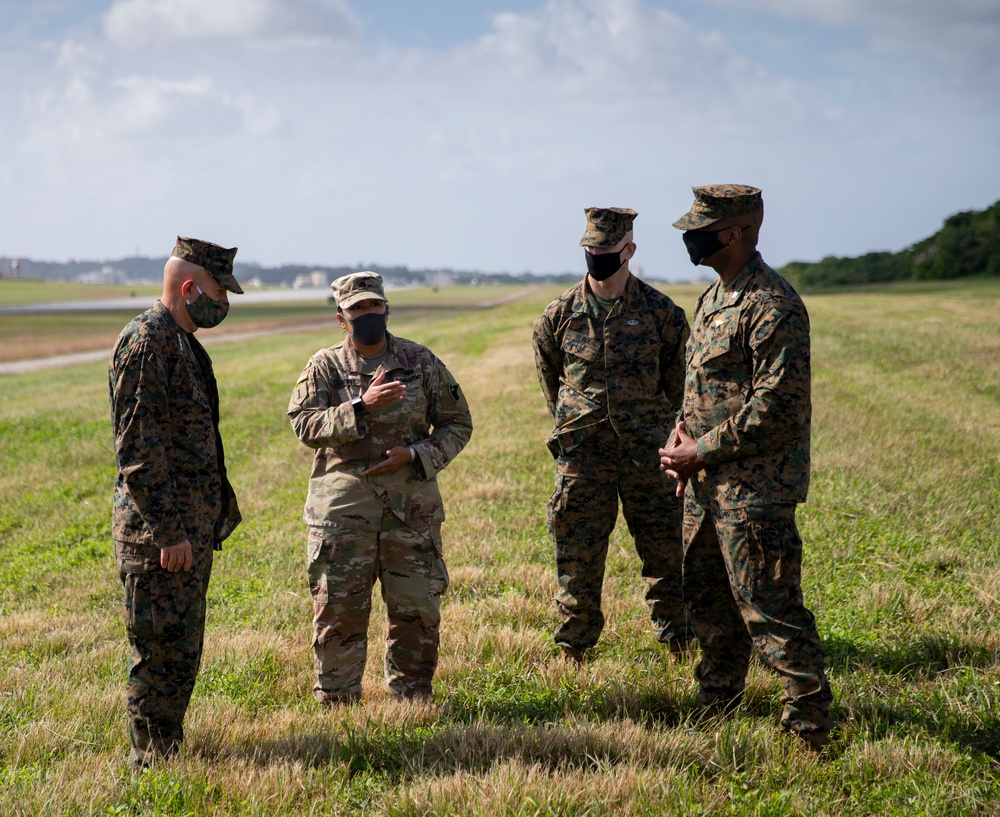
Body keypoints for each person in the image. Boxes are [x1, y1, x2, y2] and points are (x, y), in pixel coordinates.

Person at [660, 184, 834, 750]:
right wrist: (681, 433)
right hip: (707, 488)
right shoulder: (714, 298)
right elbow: (705, 388)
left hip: (755, 490)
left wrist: (699, 451)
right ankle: (717, 702)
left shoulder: (772, 304)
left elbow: (776, 408)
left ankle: (810, 725)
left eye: (701, 229)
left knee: (771, 608)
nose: (689, 237)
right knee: (709, 602)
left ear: (734, 232)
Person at [288, 271, 473, 704]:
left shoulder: (420, 361)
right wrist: (359, 407)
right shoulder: (324, 366)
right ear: (341, 318)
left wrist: (416, 456)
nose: (367, 314)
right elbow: (303, 423)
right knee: (338, 612)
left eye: (374, 306)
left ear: (387, 308)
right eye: (357, 309)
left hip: (410, 511)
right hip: (343, 513)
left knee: (416, 611)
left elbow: (457, 423)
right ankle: (337, 701)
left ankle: (411, 698)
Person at [532, 207, 691, 663]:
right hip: (584, 457)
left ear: (629, 251)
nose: (597, 256)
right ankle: (574, 649)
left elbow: (679, 387)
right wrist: (576, 426)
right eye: (591, 249)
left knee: (667, 556)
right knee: (577, 558)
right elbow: (552, 383)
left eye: (605, 249)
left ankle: (678, 643)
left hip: (650, 456)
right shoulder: (559, 315)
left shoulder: (662, 313)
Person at [109, 236, 243, 769]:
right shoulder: (147, 342)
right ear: (188, 288)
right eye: (217, 291)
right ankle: (151, 764)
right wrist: (169, 532)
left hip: (187, 530)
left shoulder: (185, 343)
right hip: (160, 538)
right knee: (158, 652)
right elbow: (137, 451)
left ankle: (168, 749)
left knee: (182, 651)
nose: (224, 303)